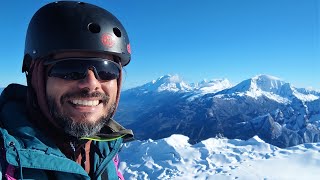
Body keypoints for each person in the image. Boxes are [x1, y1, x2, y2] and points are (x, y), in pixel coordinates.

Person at [0, 1, 134, 179]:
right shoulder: (7, 160)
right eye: (70, 69)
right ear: (35, 76)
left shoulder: (103, 150)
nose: (91, 83)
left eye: (106, 70)